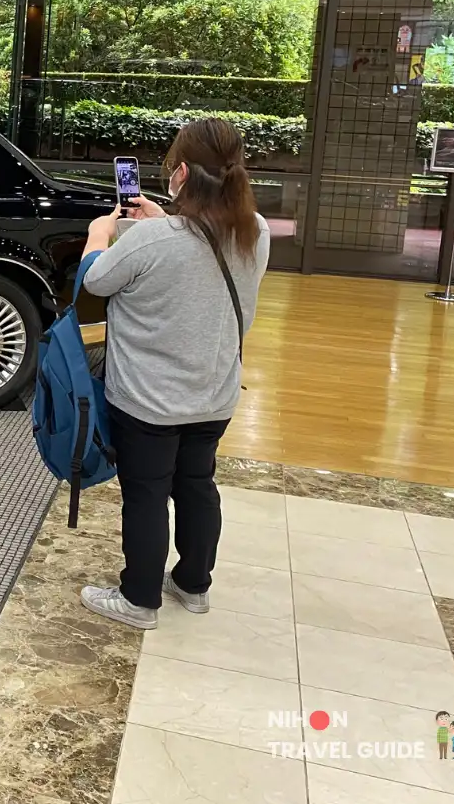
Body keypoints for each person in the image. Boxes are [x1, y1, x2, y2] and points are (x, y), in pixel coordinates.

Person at [75, 118, 270, 630]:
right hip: (214, 395)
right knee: (197, 485)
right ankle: (194, 584)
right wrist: (166, 216)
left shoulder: (154, 239)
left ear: (180, 171)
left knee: (146, 493)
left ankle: (139, 598)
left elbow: (95, 279)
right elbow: (199, 257)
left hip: (147, 401)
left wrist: (100, 234)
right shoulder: (256, 231)